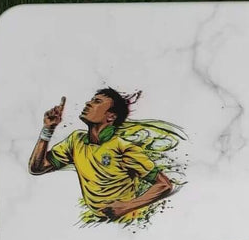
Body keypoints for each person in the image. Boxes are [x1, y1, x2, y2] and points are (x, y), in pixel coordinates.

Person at [28, 88, 174, 222]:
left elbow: (164, 184)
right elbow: (37, 168)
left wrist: (126, 207)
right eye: (91, 100)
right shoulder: (75, 140)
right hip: (99, 221)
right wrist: (48, 129)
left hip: (126, 219)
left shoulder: (123, 147)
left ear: (111, 117)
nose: (88, 103)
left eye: (97, 101)